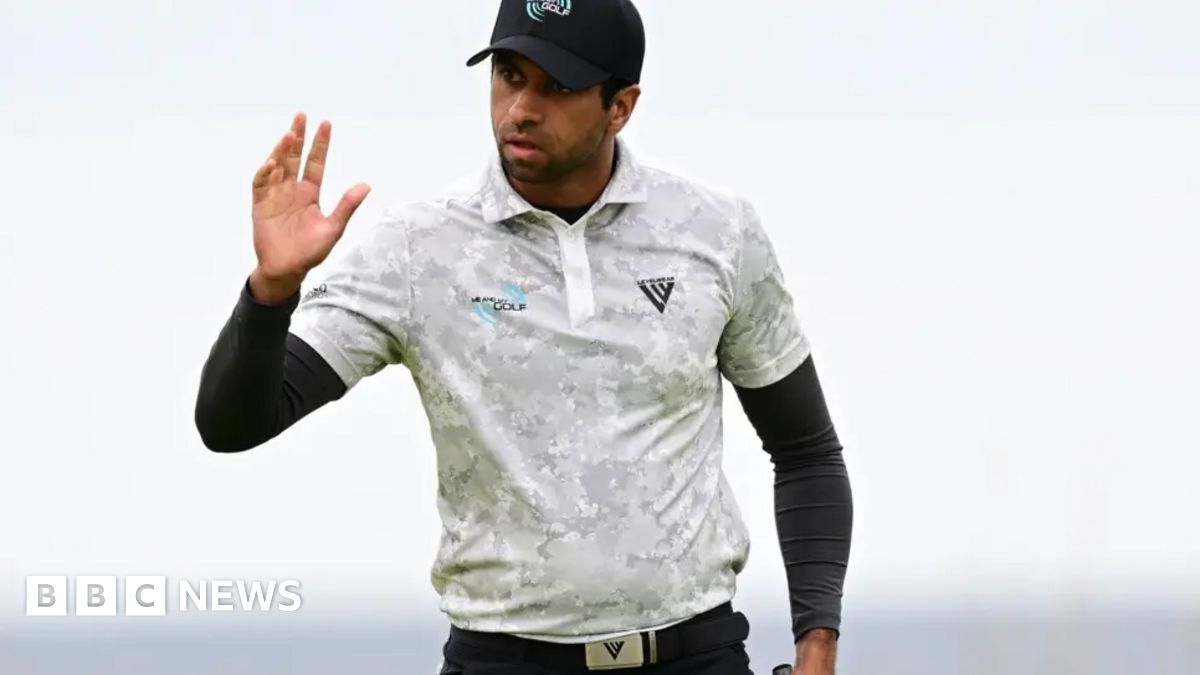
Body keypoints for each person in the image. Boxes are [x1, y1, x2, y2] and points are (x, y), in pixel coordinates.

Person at [193, 0, 853, 673]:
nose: (521, 108)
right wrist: (269, 292)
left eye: (556, 86)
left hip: (694, 653)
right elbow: (233, 422)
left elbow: (804, 450)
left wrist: (816, 645)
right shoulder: (419, 251)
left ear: (619, 106)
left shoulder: (715, 232)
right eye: (509, 75)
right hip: (502, 660)